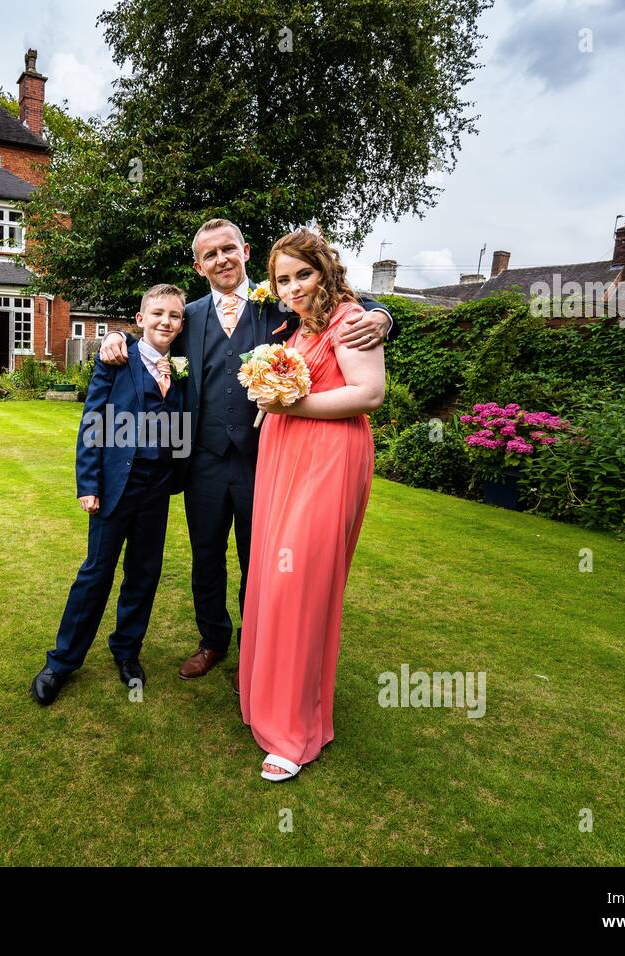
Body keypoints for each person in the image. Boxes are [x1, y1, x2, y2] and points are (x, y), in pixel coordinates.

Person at [95, 218, 397, 687]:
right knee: (206, 556)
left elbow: (335, 297)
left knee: (263, 560)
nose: (222, 259)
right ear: (199, 266)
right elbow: (150, 336)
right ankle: (213, 640)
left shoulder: (279, 303)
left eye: (228, 249)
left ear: (246, 250)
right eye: (210, 254)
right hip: (203, 463)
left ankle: (256, 651)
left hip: (269, 461)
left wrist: (382, 313)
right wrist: (115, 338)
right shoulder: (189, 315)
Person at [239, 227, 384, 781]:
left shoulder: (352, 321)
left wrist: (288, 405)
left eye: (304, 274)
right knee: (274, 580)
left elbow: (369, 394)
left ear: (324, 271)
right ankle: (269, 702)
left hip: (327, 461)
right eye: (283, 279)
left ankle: (295, 732)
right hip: (286, 460)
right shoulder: (297, 329)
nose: (294, 286)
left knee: (301, 585)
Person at [31, 284, 190, 705]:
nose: (165, 322)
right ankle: (61, 661)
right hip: (114, 486)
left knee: (144, 573)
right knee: (96, 573)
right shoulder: (116, 358)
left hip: (156, 489)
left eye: (174, 316)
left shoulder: (182, 364)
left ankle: (126, 651)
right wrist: (88, 485)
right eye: (157, 313)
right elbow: (93, 423)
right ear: (140, 319)